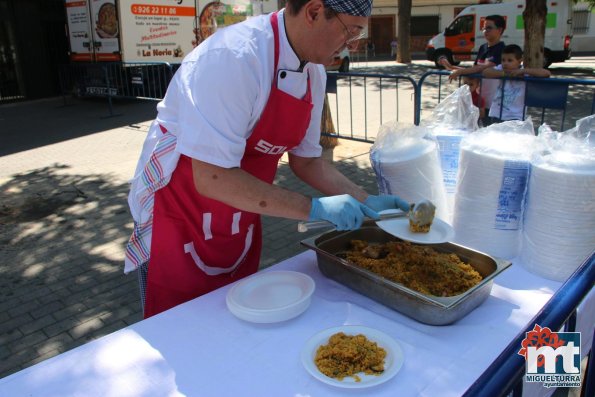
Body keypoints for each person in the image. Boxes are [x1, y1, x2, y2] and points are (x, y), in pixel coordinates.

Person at [124, 0, 411, 319]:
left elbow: (308, 161)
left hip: (240, 210)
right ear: (314, 12)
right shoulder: (234, 58)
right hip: (179, 210)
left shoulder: (313, 71)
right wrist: (314, 208)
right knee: (177, 325)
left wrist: (365, 199)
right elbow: (211, 177)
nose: (353, 45)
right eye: (351, 31)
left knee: (238, 314)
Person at [440, 14, 506, 125]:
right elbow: (474, 69)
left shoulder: (501, 49)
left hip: (495, 104)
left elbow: (483, 68)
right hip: (479, 102)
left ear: (500, 30)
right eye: (484, 28)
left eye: (489, 28)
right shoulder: (483, 48)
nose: (485, 31)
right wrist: (451, 67)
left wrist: (460, 71)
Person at [482, 44, 551, 123]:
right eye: (503, 60)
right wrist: (505, 74)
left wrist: (524, 71)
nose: (505, 63)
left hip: (516, 116)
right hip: (497, 113)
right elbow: (485, 72)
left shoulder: (524, 72)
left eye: (510, 60)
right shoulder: (501, 69)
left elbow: (546, 73)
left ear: (519, 61)